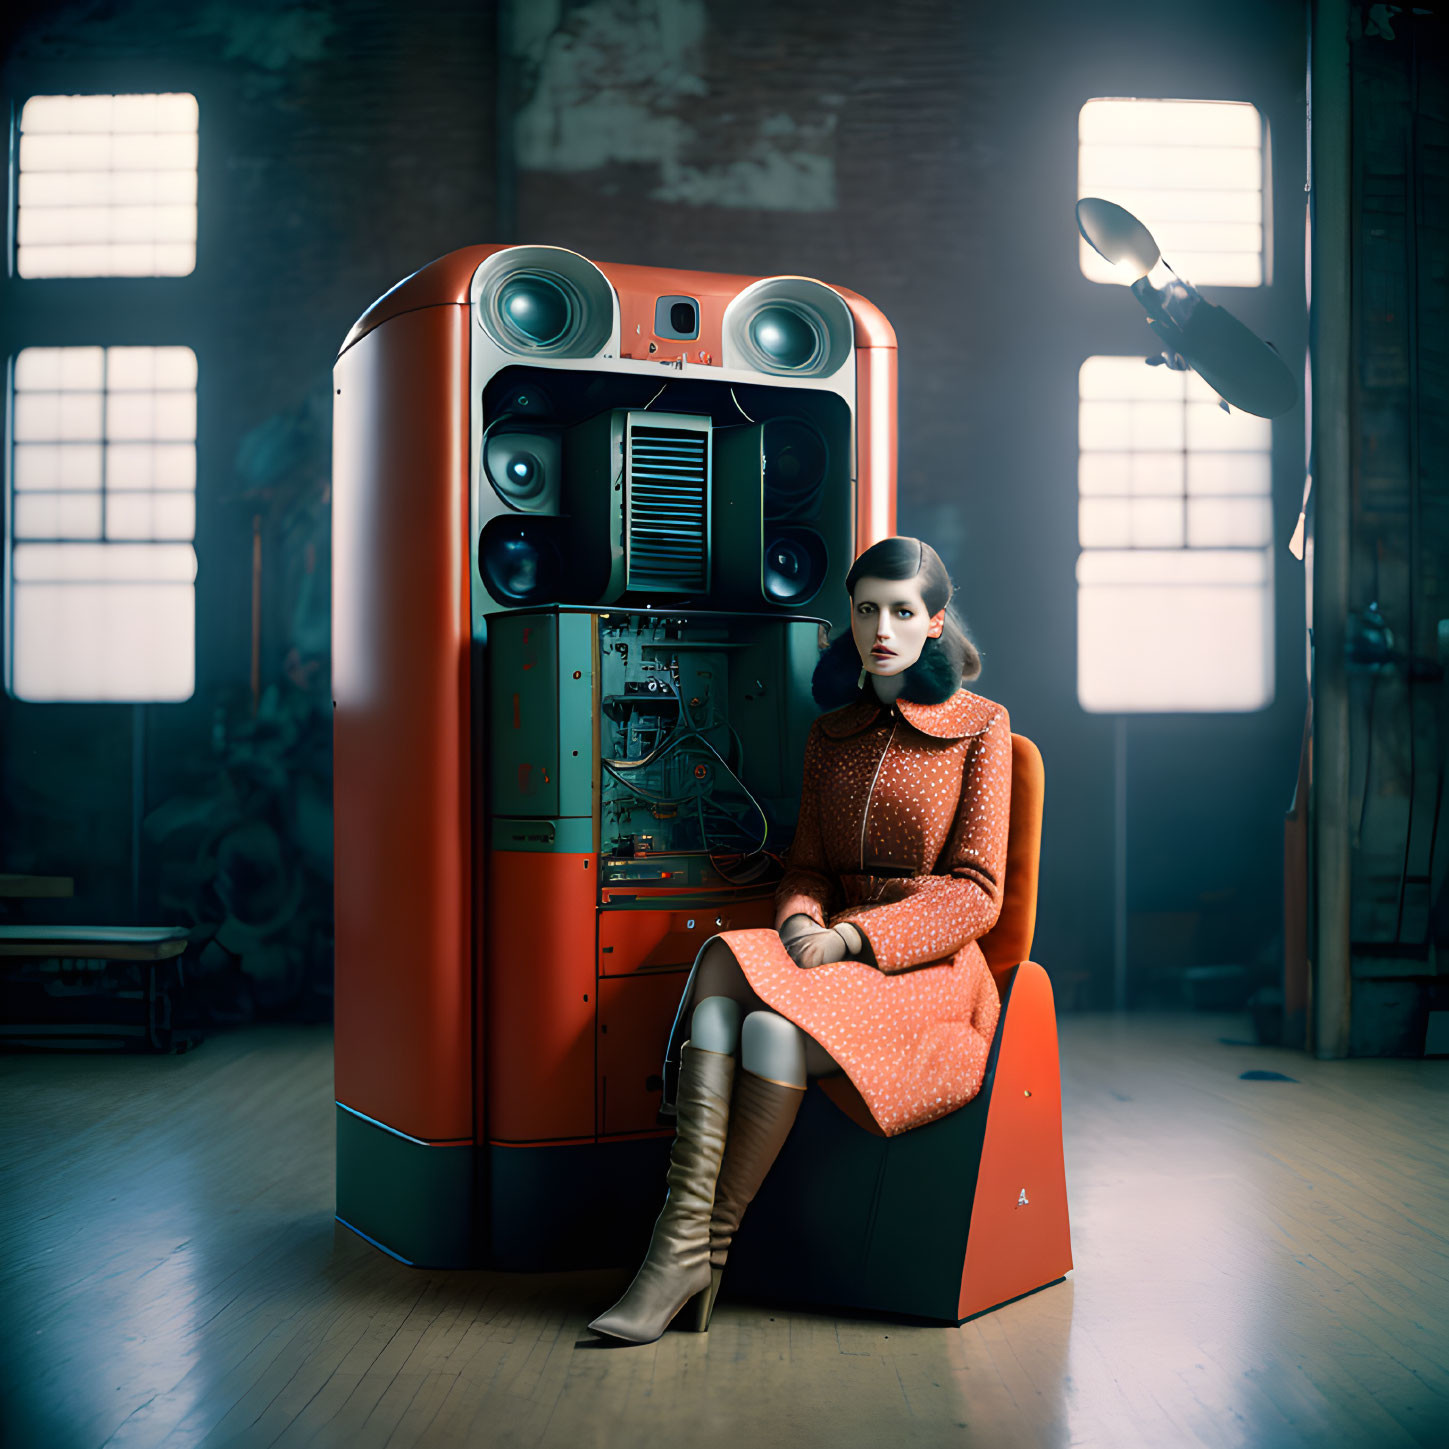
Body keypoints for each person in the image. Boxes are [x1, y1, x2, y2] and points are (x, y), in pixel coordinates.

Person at [589, 536, 1011, 1344]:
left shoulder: (980, 727)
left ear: (933, 621)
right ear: (847, 619)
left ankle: (691, 1259)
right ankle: (680, 1256)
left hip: (928, 971)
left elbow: (976, 894)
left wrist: (853, 937)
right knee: (737, 1014)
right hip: (829, 959)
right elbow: (807, 866)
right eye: (865, 610)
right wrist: (798, 919)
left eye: (901, 611)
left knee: (747, 1006)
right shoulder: (833, 735)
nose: (881, 628)